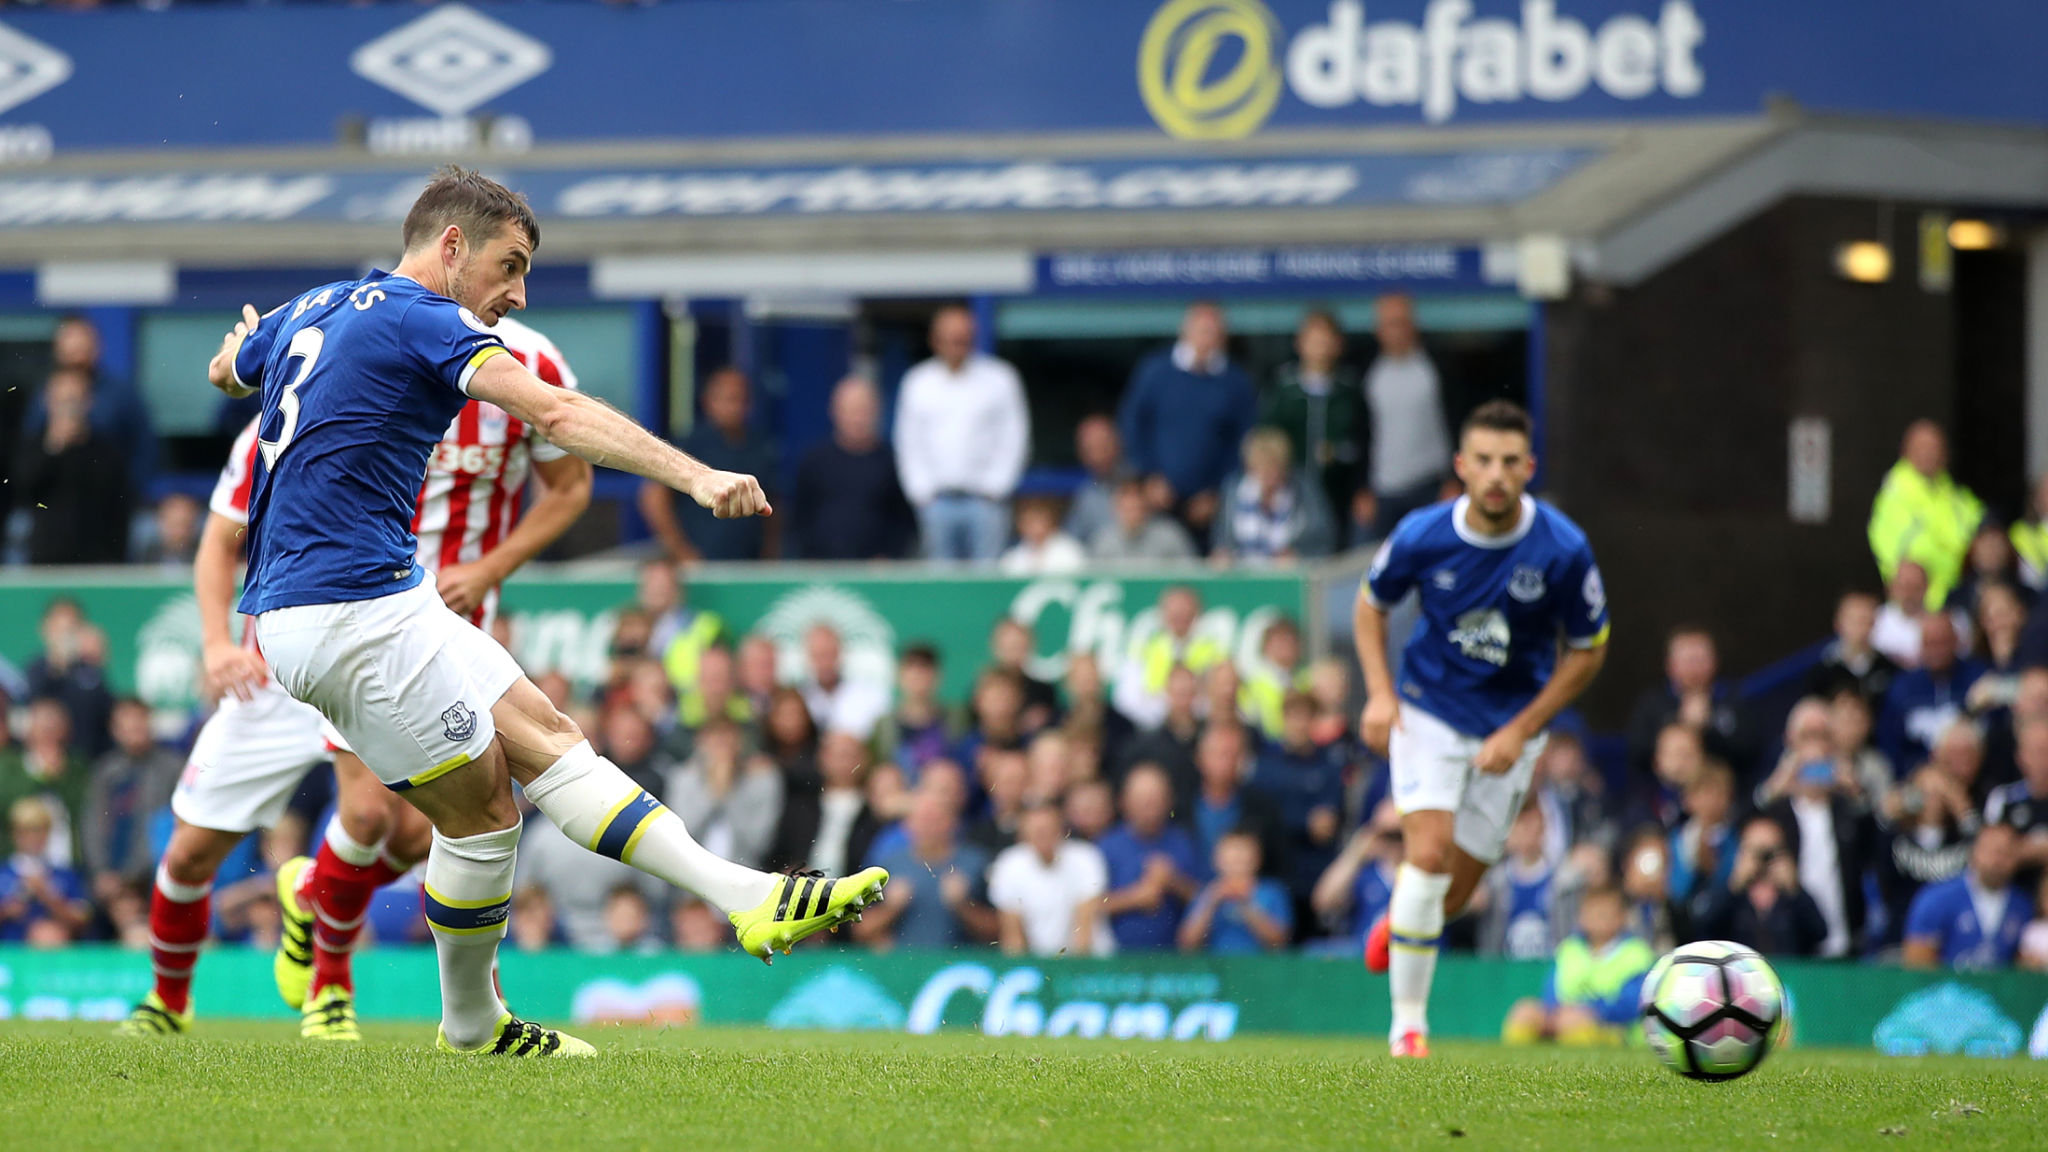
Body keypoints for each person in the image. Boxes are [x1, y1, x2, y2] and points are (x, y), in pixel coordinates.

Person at [202, 166, 887, 1057]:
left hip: (372, 599)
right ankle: (472, 1025)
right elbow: (557, 413)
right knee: (481, 813)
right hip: (345, 611)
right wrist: (696, 476)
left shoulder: (317, 305)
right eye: (508, 264)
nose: (516, 292)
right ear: (451, 248)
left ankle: (746, 897)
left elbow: (229, 370)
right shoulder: (425, 317)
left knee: (547, 734)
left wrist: (230, 356)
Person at [118, 307, 599, 1042]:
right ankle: (166, 1003)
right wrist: (216, 645)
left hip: (378, 646)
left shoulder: (451, 401)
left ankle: (330, 984)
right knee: (192, 850)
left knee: (396, 829)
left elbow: (563, 480)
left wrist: (484, 574)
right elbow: (220, 539)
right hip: (275, 665)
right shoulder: (285, 425)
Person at [1355, 399, 1609, 1058]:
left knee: (1452, 894)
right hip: (1429, 710)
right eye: (1484, 461)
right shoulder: (1421, 533)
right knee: (1428, 855)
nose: (1496, 475)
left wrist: (1522, 728)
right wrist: (1380, 695)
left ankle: (1399, 921)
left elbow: (1589, 649)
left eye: (1509, 462)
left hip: (1510, 729)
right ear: (1462, 467)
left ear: (1528, 468)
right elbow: (1370, 605)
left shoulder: (1563, 547)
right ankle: (1408, 1027)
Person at [892, 304, 1031, 564]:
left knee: (985, 583)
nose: (959, 344)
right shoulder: (918, 382)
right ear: (935, 340)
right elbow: (908, 442)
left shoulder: (999, 378)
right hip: (936, 501)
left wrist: (997, 487)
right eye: (952, 338)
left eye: (964, 338)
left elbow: (1014, 437)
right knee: (942, 584)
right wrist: (921, 492)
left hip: (986, 501)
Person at [1118, 302, 1257, 546]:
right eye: (1202, 330)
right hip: (1158, 498)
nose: (1207, 338)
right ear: (1185, 330)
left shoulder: (1236, 382)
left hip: (1212, 508)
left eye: (1213, 332)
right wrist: (1150, 477)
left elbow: (1243, 440)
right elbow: (1133, 425)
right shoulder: (1155, 372)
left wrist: (1217, 492)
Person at [638, 365, 781, 564]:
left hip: (747, 565)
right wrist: (680, 550)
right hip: (698, 564)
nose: (736, 407)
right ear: (708, 401)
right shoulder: (687, 445)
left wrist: (769, 556)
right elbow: (654, 496)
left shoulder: (761, 448)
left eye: (743, 399)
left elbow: (773, 508)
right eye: (729, 399)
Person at [1500, 886, 1655, 1047]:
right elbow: (1550, 991)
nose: (1597, 919)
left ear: (1621, 917)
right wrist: (1555, 1014)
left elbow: (1632, 1004)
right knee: (1525, 1011)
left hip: (1613, 1029)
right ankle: (1515, 1066)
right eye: (1592, 913)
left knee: (1574, 1023)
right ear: (1582, 916)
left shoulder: (1637, 953)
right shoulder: (1569, 948)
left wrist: (1592, 1011)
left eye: (1604, 913)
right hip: (1564, 1018)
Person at [1260, 309, 1364, 544]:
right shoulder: (1284, 390)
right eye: (1314, 340)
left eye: (1326, 340)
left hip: (1339, 492)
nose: (1320, 347)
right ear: (1300, 343)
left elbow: (1363, 442)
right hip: (1290, 491)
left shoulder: (1349, 391)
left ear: (1338, 345)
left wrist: (1341, 458)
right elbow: (1267, 439)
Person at [1358, 294, 1454, 542]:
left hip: (1431, 486)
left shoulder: (1437, 367)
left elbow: (1457, 421)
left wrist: (1454, 479)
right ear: (1378, 329)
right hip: (1383, 492)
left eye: (1401, 322)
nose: (1396, 330)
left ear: (1413, 325)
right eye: (1389, 323)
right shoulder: (1367, 371)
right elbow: (1359, 433)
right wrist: (1362, 488)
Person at [789, 375, 916, 561]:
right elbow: (799, 518)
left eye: (863, 411)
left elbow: (903, 521)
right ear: (834, 411)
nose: (857, 419)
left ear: (877, 412)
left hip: (876, 572)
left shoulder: (891, 462)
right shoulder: (814, 461)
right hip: (822, 571)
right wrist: (810, 558)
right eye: (851, 411)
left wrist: (890, 556)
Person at [857, 784, 997, 950]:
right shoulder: (887, 866)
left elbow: (998, 931)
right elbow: (860, 930)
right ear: (907, 825)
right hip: (905, 967)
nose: (928, 827)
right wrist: (890, 909)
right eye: (921, 819)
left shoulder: (976, 863)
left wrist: (963, 906)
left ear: (953, 823)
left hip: (960, 969)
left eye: (935, 820)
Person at [15, 366, 131, 564]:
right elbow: (23, 491)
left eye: (74, 401)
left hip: (97, 560)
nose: (68, 409)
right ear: (48, 401)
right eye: (62, 401)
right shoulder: (32, 445)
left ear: (89, 402)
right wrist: (54, 446)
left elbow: (118, 507)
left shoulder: (106, 451)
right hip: (45, 559)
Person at [1869, 420, 1982, 613]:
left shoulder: (1955, 495)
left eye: (1936, 447)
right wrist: (1959, 553)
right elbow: (1913, 553)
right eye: (1922, 447)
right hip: (1916, 605)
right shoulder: (1895, 493)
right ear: (1906, 451)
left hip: (1960, 598)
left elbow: (1984, 530)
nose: (1930, 453)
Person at [1626, 626, 1753, 788]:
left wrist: (1707, 729)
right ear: (1670, 665)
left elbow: (1750, 752)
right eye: (1688, 660)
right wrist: (1681, 724)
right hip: (1663, 799)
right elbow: (1637, 756)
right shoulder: (1651, 703)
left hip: (1725, 797)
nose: (1695, 668)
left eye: (1700, 660)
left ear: (1714, 662)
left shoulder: (1732, 698)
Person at [1096, 765, 1205, 951]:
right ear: (1123, 801)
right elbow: (1089, 907)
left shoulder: (1184, 842)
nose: (1148, 804)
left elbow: (1205, 897)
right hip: (1116, 963)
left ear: (1169, 800)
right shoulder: (1105, 846)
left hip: (1175, 962)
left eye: (1155, 797)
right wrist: (1135, 897)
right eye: (1141, 798)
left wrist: (1174, 882)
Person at [83, 697, 182, 901]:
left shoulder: (172, 769)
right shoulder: (106, 770)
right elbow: (92, 824)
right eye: (127, 726)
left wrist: (128, 877)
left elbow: (167, 828)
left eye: (140, 723)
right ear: (115, 730)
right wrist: (101, 872)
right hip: (105, 882)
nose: (135, 731)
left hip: (153, 879)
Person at [1692, 815, 1830, 957]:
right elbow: (1705, 928)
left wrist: (1795, 890)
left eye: (1770, 851)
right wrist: (1735, 886)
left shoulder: (1791, 894)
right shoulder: (1732, 892)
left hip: (1789, 974)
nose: (1763, 859)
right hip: (1741, 972)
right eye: (1755, 851)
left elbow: (1820, 933)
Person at [988, 802, 1111, 956]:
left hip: (1088, 964)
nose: (1043, 836)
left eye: (1048, 830)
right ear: (1023, 834)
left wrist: (1071, 973)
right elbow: (1013, 935)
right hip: (1040, 964)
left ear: (1061, 829)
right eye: (1036, 831)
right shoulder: (1008, 863)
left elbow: (1084, 930)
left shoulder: (1086, 857)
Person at [1903, 822, 2028, 969]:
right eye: (1993, 851)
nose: (1998, 860)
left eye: (2007, 853)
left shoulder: (2023, 906)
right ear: (1974, 851)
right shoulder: (1937, 898)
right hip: (1947, 989)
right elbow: (1917, 964)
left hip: (1999, 990)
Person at [664, 718, 783, 872]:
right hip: (691, 875)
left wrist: (729, 791)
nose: (721, 749)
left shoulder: (761, 778)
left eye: (727, 740)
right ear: (700, 743)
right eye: (715, 741)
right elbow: (680, 836)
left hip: (744, 873)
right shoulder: (683, 778)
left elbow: (759, 844)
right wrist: (713, 794)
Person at [1212, 427, 1336, 566]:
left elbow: (1323, 540)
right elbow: (1222, 538)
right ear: (1250, 466)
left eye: (1275, 467)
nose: (1269, 474)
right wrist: (1222, 554)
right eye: (1262, 467)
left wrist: (1298, 554)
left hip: (1287, 578)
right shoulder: (1233, 490)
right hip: (1242, 576)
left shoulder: (1305, 491)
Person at [1878, 613, 1985, 773]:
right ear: (1920, 645)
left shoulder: (1979, 678)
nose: (1936, 651)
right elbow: (1890, 746)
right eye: (1930, 644)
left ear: (1956, 641)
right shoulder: (1903, 687)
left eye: (1942, 642)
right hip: (1920, 779)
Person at [1112, 585, 1226, 728]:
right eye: (1174, 611)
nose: (1180, 616)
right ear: (1162, 613)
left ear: (1198, 613)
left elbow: (1223, 700)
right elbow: (1126, 702)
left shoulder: (1215, 652)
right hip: (1150, 729)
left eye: (1186, 611)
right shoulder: (1143, 649)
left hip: (1201, 729)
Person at [1177, 830, 1293, 954]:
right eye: (1231, 860)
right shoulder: (1206, 893)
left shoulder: (1272, 891)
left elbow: (1280, 942)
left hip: (1261, 967)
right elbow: (1186, 944)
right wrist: (1211, 903)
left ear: (1257, 860)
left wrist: (1245, 905)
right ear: (1216, 861)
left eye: (1242, 860)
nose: (1236, 867)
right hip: (1214, 968)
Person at [0, 797, 92, 943]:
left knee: (47, 934)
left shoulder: (64, 874)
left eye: (39, 831)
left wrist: (47, 895)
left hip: (52, 954)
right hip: (8, 954)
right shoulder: (3, 873)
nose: (33, 838)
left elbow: (81, 919)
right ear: (15, 834)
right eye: (26, 831)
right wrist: (8, 909)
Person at [1802, 589, 1898, 707]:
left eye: (1867, 621)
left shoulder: (1889, 669)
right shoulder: (1821, 673)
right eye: (1855, 621)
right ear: (1838, 623)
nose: (1862, 628)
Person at [798, 623, 890, 744]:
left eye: (829, 654)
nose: (825, 663)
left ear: (841, 653)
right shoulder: (797, 698)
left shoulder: (870, 696)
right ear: (808, 657)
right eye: (818, 655)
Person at [1088, 472, 1198, 565]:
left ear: (1146, 507)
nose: (1132, 514)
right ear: (1116, 507)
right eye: (1127, 508)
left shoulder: (1170, 535)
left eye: (1136, 508)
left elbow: (1190, 574)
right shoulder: (1103, 541)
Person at [1064, 414, 1123, 546]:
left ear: (1117, 444)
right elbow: (1072, 542)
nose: (1097, 455)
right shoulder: (1085, 495)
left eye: (1102, 446)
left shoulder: (1142, 484)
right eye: (1089, 449)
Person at [999, 496, 1087, 575]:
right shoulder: (1013, 555)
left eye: (1037, 521)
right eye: (1028, 522)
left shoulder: (1070, 550)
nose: (1033, 527)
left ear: (1050, 521)